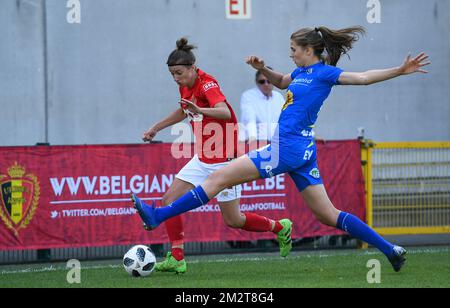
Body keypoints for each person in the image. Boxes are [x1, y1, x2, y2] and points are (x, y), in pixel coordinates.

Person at [132, 27, 430, 272]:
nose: (290, 53)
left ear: (308, 50)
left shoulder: (325, 74)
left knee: (216, 179)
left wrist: (400, 70)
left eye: (293, 49)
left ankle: (159, 216)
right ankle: (390, 250)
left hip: (285, 150)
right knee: (329, 215)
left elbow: (363, 78)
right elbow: (280, 81)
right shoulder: (299, 74)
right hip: (301, 151)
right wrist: (262, 68)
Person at [138, 38, 293, 274]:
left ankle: (279, 227)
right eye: (172, 74)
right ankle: (177, 258)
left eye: (179, 73)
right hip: (203, 157)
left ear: (192, 68)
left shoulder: (207, 84)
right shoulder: (185, 85)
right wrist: (156, 127)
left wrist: (200, 110)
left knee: (234, 220)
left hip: (225, 162)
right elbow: (183, 110)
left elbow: (222, 110)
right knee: (169, 199)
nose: (176, 78)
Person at [239, 68, 285, 144]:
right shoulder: (248, 96)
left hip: (275, 143)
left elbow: (285, 120)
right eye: (262, 81)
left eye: (269, 81)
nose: (266, 84)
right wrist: (252, 139)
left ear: (274, 82)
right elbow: (249, 119)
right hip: (254, 141)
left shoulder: (278, 97)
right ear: (256, 82)